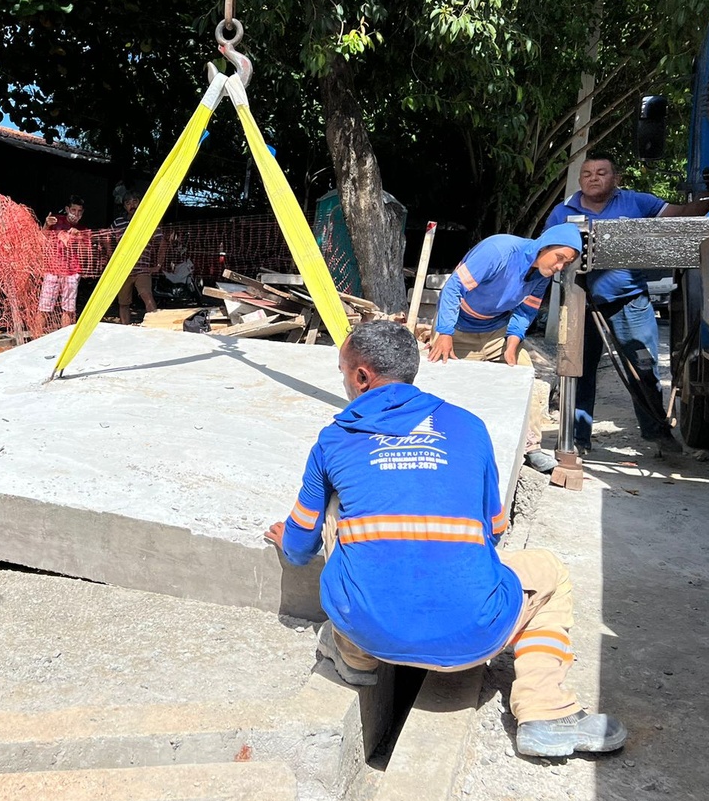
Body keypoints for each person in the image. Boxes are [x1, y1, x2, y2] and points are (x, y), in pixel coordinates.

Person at [265, 320, 626, 758]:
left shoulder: (334, 439)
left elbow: (302, 548)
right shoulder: (468, 427)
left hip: (369, 627)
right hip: (474, 634)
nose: (343, 381)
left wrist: (292, 537)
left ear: (362, 376)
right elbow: (493, 530)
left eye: (342, 371)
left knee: (339, 513)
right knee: (551, 572)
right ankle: (546, 712)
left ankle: (353, 654)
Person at [428, 224, 583, 474]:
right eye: (559, 258)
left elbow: (527, 309)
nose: (559, 267)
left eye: (566, 264)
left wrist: (513, 341)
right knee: (445, 381)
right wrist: (445, 332)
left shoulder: (541, 276)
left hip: (495, 331)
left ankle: (530, 447)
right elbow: (453, 288)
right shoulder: (498, 250)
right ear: (545, 246)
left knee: (524, 373)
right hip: (456, 327)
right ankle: (439, 443)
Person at [542, 155, 669, 453]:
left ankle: (659, 434)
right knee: (578, 372)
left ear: (616, 178)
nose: (593, 178)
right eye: (586, 173)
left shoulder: (637, 203)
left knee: (644, 368)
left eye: (601, 172)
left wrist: (708, 204)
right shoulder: (562, 211)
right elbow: (546, 251)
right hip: (579, 304)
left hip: (630, 301)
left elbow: (676, 217)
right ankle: (577, 440)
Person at [110, 190, 165, 325]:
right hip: (122, 271)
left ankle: (155, 327)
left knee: (147, 296)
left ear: (140, 203)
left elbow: (163, 243)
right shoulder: (118, 223)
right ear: (124, 207)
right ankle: (124, 328)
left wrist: (158, 266)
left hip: (142, 269)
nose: (132, 205)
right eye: (128, 203)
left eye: (135, 201)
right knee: (123, 302)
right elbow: (107, 239)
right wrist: (111, 260)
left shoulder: (149, 222)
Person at [38, 195, 89, 328]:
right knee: (44, 307)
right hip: (52, 270)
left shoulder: (84, 230)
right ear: (67, 209)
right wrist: (46, 225)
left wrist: (79, 237)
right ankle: (36, 338)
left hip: (72, 272)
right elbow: (41, 239)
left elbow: (86, 254)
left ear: (82, 213)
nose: (76, 214)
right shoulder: (55, 221)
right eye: (73, 210)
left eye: (79, 211)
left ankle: (64, 341)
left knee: (69, 309)